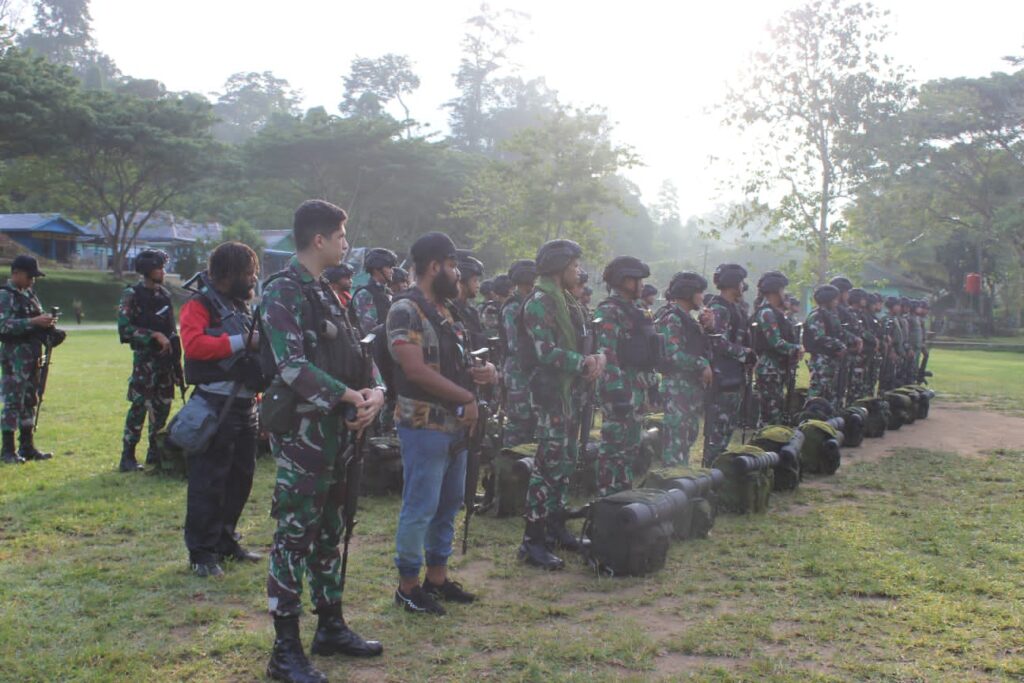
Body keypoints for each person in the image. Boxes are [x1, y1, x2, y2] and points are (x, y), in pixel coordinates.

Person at [261, 200, 386, 683]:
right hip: (304, 438)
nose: (345, 244)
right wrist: (348, 396)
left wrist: (376, 392)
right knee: (295, 536)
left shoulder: (328, 293)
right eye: (341, 236)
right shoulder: (283, 292)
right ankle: (285, 650)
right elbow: (291, 366)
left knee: (333, 531)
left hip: (340, 437)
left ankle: (330, 624)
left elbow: (358, 351)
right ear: (319, 240)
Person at [387, 231, 496, 614]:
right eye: (451, 266)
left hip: (455, 428)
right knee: (421, 506)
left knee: (449, 503)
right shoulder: (406, 310)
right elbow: (414, 369)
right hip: (424, 425)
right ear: (435, 266)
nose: (456, 273)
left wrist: (484, 373)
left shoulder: (448, 312)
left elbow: (455, 362)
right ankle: (407, 585)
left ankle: (437, 578)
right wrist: (465, 397)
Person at [179, 242, 265, 579]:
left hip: (244, 406)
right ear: (228, 274)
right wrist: (244, 343)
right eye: (248, 272)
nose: (253, 278)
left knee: (240, 479)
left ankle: (225, 540)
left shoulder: (238, 305)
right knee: (208, 482)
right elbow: (195, 345)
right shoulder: (199, 305)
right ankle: (201, 552)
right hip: (215, 405)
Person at [518, 240, 605, 570]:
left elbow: (583, 340)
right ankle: (532, 541)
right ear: (558, 268)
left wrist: (594, 359)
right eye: (573, 266)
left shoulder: (570, 301)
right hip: (552, 395)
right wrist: (582, 362)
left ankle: (555, 530)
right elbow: (545, 352)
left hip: (570, 394)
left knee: (566, 462)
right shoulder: (540, 303)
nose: (577, 272)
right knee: (547, 466)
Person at [595, 256, 657, 495]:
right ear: (624, 280)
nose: (642, 284)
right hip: (620, 392)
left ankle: (622, 496)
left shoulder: (638, 310)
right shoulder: (610, 310)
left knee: (630, 448)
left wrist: (652, 386)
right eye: (637, 279)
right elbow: (607, 353)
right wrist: (617, 392)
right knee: (613, 450)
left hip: (637, 388)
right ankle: (608, 499)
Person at [117, 249, 182, 472]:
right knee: (139, 407)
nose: (162, 272)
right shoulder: (131, 295)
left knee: (163, 406)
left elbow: (171, 328)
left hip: (166, 362)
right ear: (147, 271)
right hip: (145, 363)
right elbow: (125, 329)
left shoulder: (164, 295)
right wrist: (152, 335)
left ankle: (155, 453)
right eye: (158, 268)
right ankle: (128, 456)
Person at [0, 255, 59, 464]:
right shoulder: (5, 296)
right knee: (13, 402)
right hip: (14, 357)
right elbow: (3, 325)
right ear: (16, 273)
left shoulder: (30, 295)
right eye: (29, 276)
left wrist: (49, 326)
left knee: (30, 400)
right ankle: (7, 450)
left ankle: (27, 445)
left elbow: (37, 319)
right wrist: (34, 321)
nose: (32, 280)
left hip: (33, 355)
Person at [656, 272, 712, 465]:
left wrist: (708, 328)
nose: (702, 298)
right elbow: (673, 354)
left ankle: (680, 480)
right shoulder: (673, 318)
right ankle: (671, 483)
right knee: (675, 443)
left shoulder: (689, 319)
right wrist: (701, 364)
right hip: (677, 389)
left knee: (687, 437)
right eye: (699, 292)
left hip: (690, 389)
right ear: (688, 293)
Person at [702, 264, 753, 466]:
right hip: (721, 376)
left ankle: (717, 469)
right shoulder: (719, 308)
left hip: (733, 375)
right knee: (717, 431)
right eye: (741, 282)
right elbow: (717, 342)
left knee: (726, 429)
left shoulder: (734, 308)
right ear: (734, 284)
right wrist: (745, 354)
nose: (743, 286)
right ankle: (710, 471)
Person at [751, 271, 802, 426]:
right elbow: (775, 342)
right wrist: (796, 348)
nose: (784, 293)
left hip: (777, 368)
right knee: (770, 415)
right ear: (775, 290)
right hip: (769, 369)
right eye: (782, 290)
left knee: (777, 412)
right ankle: (765, 446)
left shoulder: (776, 313)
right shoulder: (767, 313)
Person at [500, 260, 538, 449]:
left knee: (533, 422)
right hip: (518, 373)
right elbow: (515, 344)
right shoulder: (513, 307)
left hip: (530, 372)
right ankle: (508, 463)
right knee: (518, 424)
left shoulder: (531, 303)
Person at [802, 285, 847, 407]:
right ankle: (811, 415)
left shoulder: (830, 315)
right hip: (820, 359)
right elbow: (819, 337)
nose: (837, 302)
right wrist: (839, 345)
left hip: (831, 359)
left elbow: (840, 333)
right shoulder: (817, 315)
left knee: (830, 391)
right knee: (818, 390)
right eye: (834, 299)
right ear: (827, 300)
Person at [350, 247, 397, 336]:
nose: (392, 271)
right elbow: (369, 329)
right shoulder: (365, 294)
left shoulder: (387, 293)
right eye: (389, 267)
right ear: (377, 269)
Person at [847, 288, 878, 400]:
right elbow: (859, 331)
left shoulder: (862, 314)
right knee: (854, 384)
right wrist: (873, 339)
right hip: (856, 353)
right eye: (863, 298)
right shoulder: (850, 313)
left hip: (864, 354)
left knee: (861, 383)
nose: (865, 301)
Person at [453, 253, 487, 350]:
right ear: (461, 282)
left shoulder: (472, 312)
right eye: (475, 281)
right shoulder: (450, 311)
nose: (478, 285)